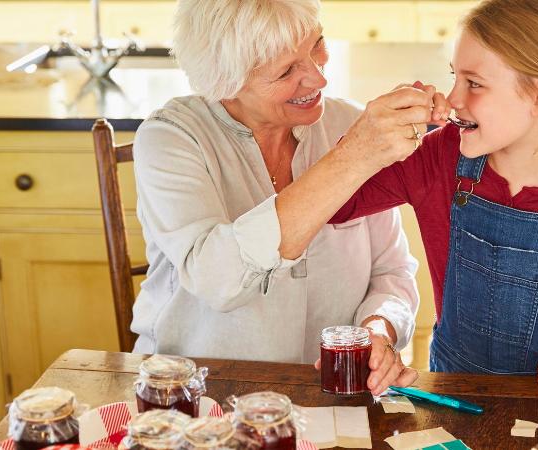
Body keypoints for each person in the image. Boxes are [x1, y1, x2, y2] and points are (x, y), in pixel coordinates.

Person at [321, 0, 538, 391]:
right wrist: (371, 138)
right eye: (454, 78)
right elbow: (336, 205)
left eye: (474, 83)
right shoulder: (438, 156)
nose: (453, 99)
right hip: (451, 385)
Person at [131, 0, 434, 394]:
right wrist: (350, 160)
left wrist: (377, 330)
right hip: (197, 392)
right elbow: (218, 281)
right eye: (286, 70)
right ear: (227, 80)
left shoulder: (349, 125)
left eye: (317, 45)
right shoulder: (171, 139)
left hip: (334, 391)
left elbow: (391, 273)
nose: (318, 78)